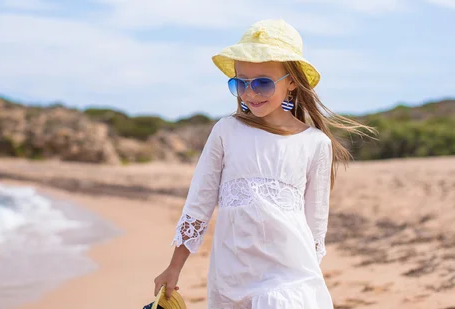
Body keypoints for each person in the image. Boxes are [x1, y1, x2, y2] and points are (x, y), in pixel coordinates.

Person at [153, 19, 377, 308]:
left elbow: (315, 224)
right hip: (231, 276)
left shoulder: (315, 143)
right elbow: (199, 202)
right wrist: (174, 267)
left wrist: (311, 280)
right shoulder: (226, 131)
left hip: (290, 276)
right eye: (240, 83)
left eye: (261, 83)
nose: (250, 93)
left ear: (293, 82)